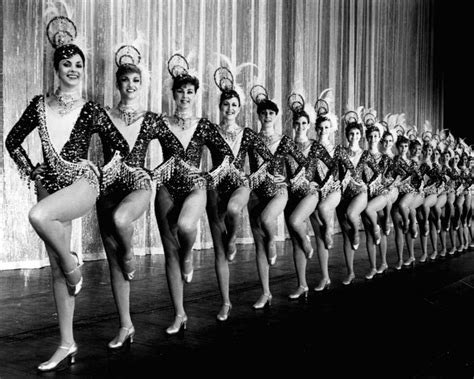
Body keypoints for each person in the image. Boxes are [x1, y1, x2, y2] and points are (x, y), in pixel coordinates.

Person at [5, 16, 121, 371]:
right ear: (56, 67)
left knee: (39, 218)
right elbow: (12, 141)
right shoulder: (39, 105)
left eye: (79, 65)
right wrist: (31, 168)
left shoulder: (91, 110)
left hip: (81, 185)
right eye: (67, 63)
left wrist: (101, 173)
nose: (73, 69)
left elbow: (119, 148)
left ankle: (74, 265)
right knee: (56, 267)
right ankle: (67, 343)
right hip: (48, 184)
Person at [153, 54, 233, 334]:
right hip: (165, 190)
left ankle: (189, 256)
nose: (185, 96)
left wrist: (209, 176)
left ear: (196, 95)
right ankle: (179, 314)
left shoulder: (205, 125)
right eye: (180, 91)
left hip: (195, 189)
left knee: (187, 227)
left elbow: (226, 157)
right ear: (173, 94)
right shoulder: (161, 122)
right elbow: (134, 146)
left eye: (190, 92)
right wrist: (144, 171)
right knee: (169, 253)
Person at [96, 45, 166, 348]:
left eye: (136, 81)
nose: (130, 86)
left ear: (141, 85)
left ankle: (130, 252)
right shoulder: (103, 115)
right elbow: (76, 142)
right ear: (118, 84)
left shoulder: (151, 119)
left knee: (121, 219)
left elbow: (177, 151)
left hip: (137, 185)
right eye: (125, 80)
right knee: (113, 262)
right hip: (108, 188)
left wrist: (157, 173)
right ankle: (126, 325)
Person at [206, 67, 272, 320]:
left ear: (240, 108)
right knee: (219, 251)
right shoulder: (210, 130)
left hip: (240, 187)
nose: (230, 108)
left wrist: (254, 177)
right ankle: (225, 302)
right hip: (215, 189)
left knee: (234, 211)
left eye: (234, 105)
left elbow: (268, 160)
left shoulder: (247, 133)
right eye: (226, 104)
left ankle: (232, 237)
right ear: (220, 106)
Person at [247, 84, 306, 308]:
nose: (267, 116)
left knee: (266, 221)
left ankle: (273, 241)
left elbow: (304, 164)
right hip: (256, 193)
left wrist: (290, 180)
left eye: (271, 113)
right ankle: (265, 292)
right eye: (264, 113)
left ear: (276, 116)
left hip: (279, 192)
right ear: (259, 115)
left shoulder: (284, 140)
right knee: (258, 244)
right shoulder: (251, 138)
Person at [334, 109, 379, 285]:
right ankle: (350, 272)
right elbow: (334, 171)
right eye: (351, 133)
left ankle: (373, 264)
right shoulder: (340, 151)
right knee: (346, 235)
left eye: (357, 133)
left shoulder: (366, 154)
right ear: (347, 135)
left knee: (353, 216)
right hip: (343, 195)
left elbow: (377, 173)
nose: (354, 136)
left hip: (360, 193)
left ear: (361, 136)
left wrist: (367, 184)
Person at [284, 93, 319, 299]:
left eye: (304, 123)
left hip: (310, 194)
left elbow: (331, 167)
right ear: (293, 124)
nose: (300, 126)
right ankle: (302, 284)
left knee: (295, 221)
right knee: (295, 239)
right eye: (297, 123)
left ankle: (308, 244)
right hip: (291, 194)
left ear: (309, 125)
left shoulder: (314, 145)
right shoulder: (287, 144)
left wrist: (319, 182)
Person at [308, 91, 341, 291]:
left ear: (332, 129)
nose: (322, 131)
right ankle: (325, 277)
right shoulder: (311, 149)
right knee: (318, 235)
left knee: (322, 211)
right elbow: (309, 171)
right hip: (316, 191)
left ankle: (329, 230)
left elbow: (346, 172)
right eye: (319, 128)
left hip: (334, 191)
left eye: (326, 128)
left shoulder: (337, 150)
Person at [361, 115, 395, 279]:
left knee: (379, 226)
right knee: (369, 232)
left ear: (379, 138)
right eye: (370, 136)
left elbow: (389, 179)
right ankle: (373, 266)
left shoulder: (385, 158)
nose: (373, 139)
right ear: (367, 138)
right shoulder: (363, 156)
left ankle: (383, 262)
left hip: (380, 196)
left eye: (375, 136)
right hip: (366, 195)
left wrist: (383, 186)